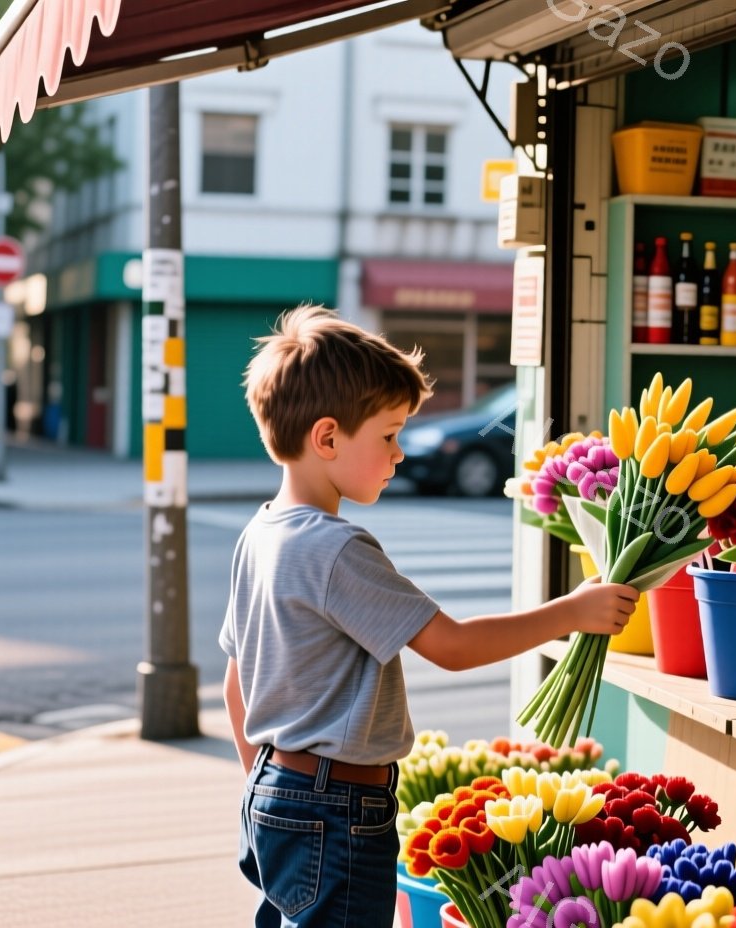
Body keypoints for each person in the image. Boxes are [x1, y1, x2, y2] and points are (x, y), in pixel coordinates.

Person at [220, 306, 638, 928]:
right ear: (328, 438)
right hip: (339, 805)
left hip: (275, 786)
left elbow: (237, 682)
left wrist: (269, 785)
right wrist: (572, 612)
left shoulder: (261, 533)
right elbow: (453, 645)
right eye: (388, 436)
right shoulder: (336, 549)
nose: (398, 455)